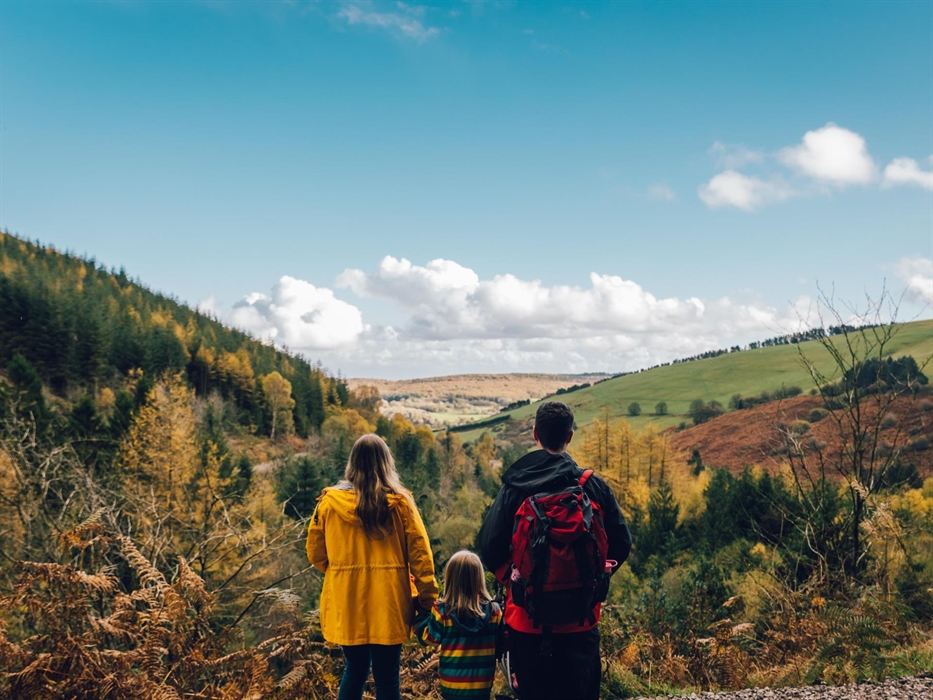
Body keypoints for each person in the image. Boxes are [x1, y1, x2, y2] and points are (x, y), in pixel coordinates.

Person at [477, 401, 632, 700]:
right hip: (582, 618)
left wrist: (513, 579)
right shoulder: (592, 486)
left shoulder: (517, 487)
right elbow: (622, 541)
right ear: (570, 436)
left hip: (527, 620)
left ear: (535, 433)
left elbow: (489, 544)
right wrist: (599, 572)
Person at [306, 433, 438, 700]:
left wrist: (341, 573)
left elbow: (316, 554)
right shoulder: (401, 504)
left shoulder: (329, 504)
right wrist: (428, 599)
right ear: (386, 463)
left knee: (354, 668)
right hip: (389, 601)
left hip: (347, 600)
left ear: (352, 463)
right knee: (387, 676)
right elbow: (421, 557)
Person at [416, 550, 504, 700]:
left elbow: (427, 638)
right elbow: (501, 643)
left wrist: (421, 613)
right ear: (479, 578)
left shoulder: (443, 611)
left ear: (450, 579)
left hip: (452, 686)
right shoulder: (494, 611)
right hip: (482, 687)